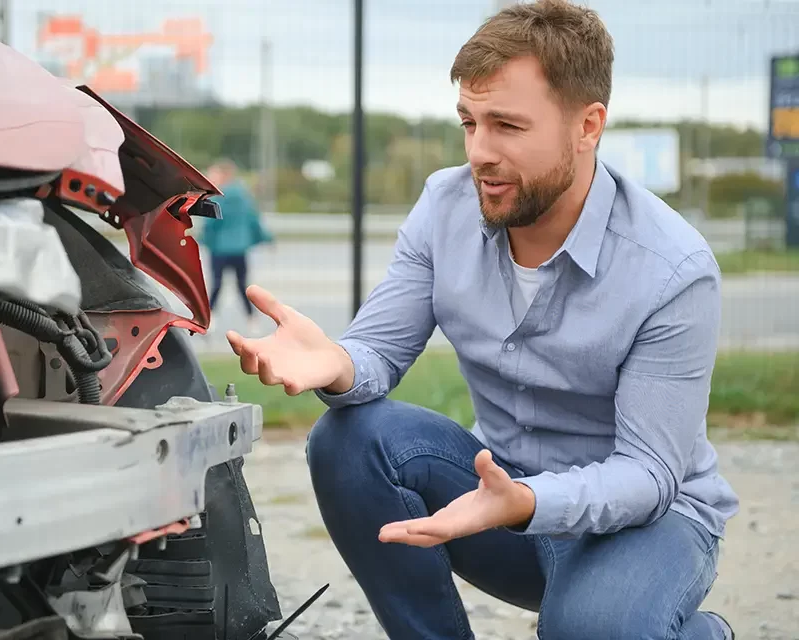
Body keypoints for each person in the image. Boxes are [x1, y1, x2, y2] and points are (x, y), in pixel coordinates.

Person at [224, 1, 740, 638]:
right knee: (347, 441)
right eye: (469, 122)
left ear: (588, 126)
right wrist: (338, 363)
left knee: (588, 629)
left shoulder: (673, 268)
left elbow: (649, 476)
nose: (479, 152)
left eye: (507, 126)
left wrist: (527, 501)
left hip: (643, 524)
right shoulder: (445, 207)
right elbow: (376, 351)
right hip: (497, 498)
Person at [200, 158, 273, 334]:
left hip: (219, 249)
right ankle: (252, 320)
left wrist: (203, 240)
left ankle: (210, 319)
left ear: (223, 175)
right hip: (240, 249)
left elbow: (211, 224)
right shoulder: (244, 196)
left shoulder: (217, 198)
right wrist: (266, 239)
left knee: (217, 284)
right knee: (242, 286)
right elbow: (254, 221)